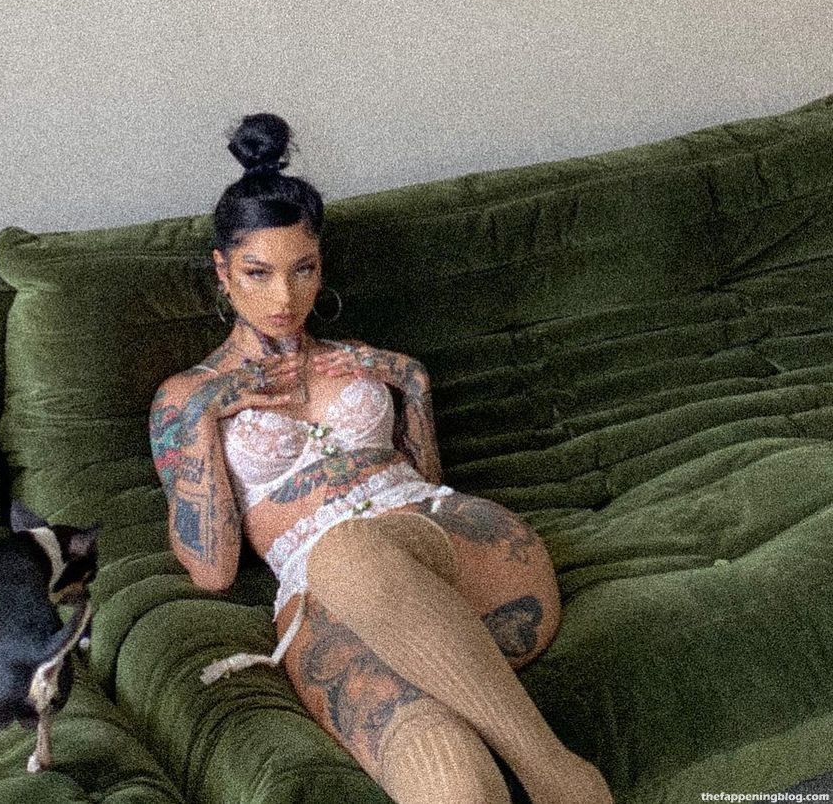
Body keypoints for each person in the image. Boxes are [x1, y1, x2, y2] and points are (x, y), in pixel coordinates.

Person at [149, 113, 613, 804]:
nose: (284, 297)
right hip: (323, 598)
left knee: (349, 551)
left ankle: (555, 773)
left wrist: (413, 385)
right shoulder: (186, 397)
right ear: (223, 272)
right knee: (449, 777)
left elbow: (427, 484)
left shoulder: (360, 360)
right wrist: (202, 418)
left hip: (449, 548)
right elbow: (212, 571)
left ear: (321, 265)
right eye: (258, 273)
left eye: (303, 270)